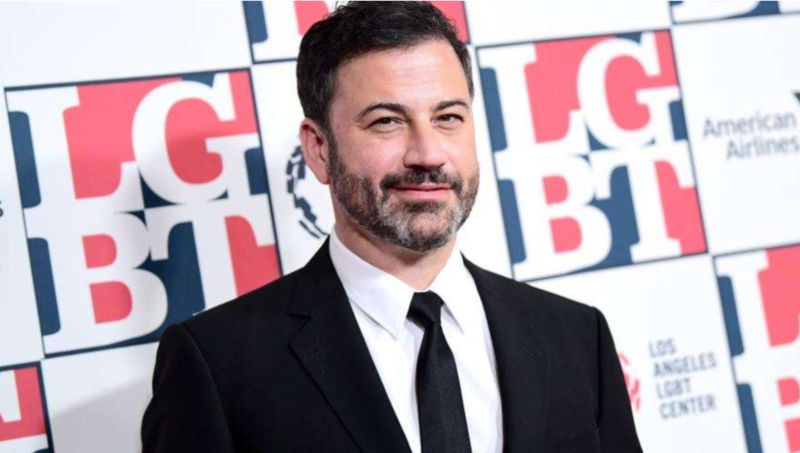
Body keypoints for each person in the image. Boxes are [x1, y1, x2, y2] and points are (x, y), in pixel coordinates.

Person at [141, 2, 642, 452]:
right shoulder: (219, 365)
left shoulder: (576, 336)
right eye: (386, 121)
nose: (428, 154)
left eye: (448, 117)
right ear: (319, 149)